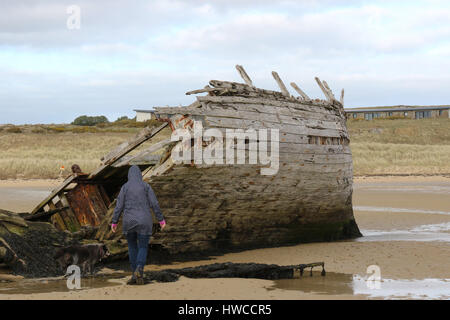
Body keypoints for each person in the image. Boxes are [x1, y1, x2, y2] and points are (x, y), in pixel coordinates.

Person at [111, 165, 166, 285]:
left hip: (129, 221)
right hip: (144, 221)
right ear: (140, 175)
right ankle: (139, 269)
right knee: (142, 247)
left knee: (132, 247)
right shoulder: (146, 186)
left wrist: (114, 222)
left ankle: (134, 276)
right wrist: (161, 220)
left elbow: (119, 206)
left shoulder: (125, 187)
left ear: (129, 175)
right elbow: (154, 204)